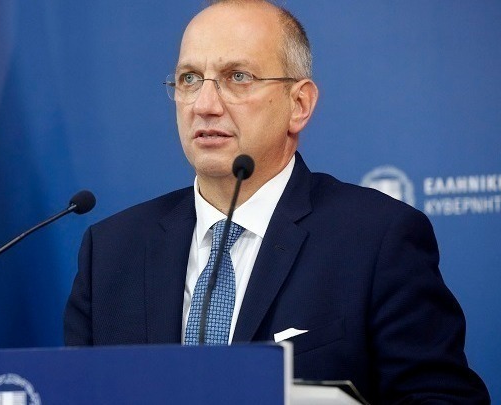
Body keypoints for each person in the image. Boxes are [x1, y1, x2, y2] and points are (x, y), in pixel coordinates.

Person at [64, 0, 490, 402]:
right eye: (189, 79)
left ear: (298, 104)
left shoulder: (376, 239)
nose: (204, 105)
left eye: (238, 77)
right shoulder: (111, 251)